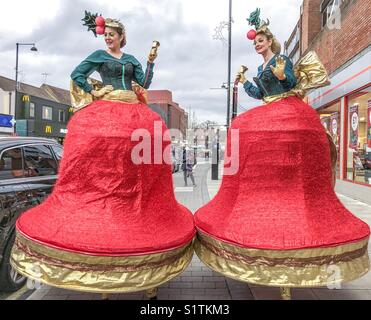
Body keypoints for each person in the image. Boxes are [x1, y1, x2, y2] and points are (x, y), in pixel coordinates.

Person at [11, 12, 195, 298]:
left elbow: (143, 83)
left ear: (121, 35)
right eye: (105, 34)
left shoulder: (131, 59)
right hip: (106, 105)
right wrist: (94, 92)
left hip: (132, 109)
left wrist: (150, 60)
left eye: (112, 33)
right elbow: (77, 75)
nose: (107, 37)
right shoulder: (98, 54)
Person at [194, 8, 370, 300]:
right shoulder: (264, 67)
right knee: (245, 128)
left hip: (288, 108)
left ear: (270, 41)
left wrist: (281, 74)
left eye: (260, 40)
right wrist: (244, 82)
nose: (257, 44)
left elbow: (288, 83)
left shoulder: (280, 60)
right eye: (255, 42)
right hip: (269, 107)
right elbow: (259, 94)